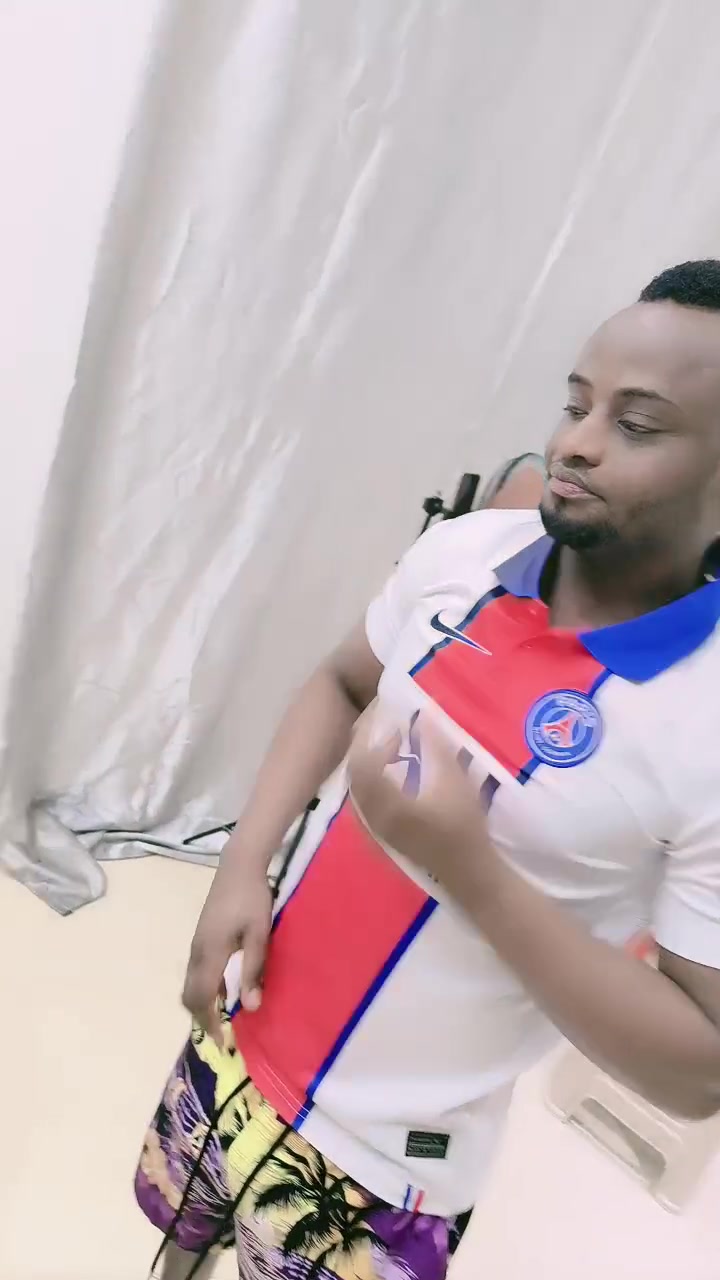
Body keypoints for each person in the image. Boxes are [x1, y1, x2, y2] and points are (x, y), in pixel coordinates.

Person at [137, 260, 720, 1280]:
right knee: (177, 1242)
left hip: (383, 1175)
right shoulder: (466, 553)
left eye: (635, 424)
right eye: (576, 403)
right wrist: (242, 864)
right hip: (237, 1038)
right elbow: (341, 680)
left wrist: (468, 866)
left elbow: (698, 1068)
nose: (577, 441)